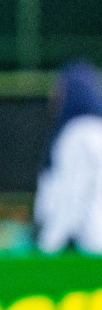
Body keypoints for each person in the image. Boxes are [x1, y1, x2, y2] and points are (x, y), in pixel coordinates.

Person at [34, 59, 102, 254]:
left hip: (88, 248)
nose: (53, 98)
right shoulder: (96, 130)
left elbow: (72, 196)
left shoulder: (78, 134)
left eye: (58, 91)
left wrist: (48, 246)